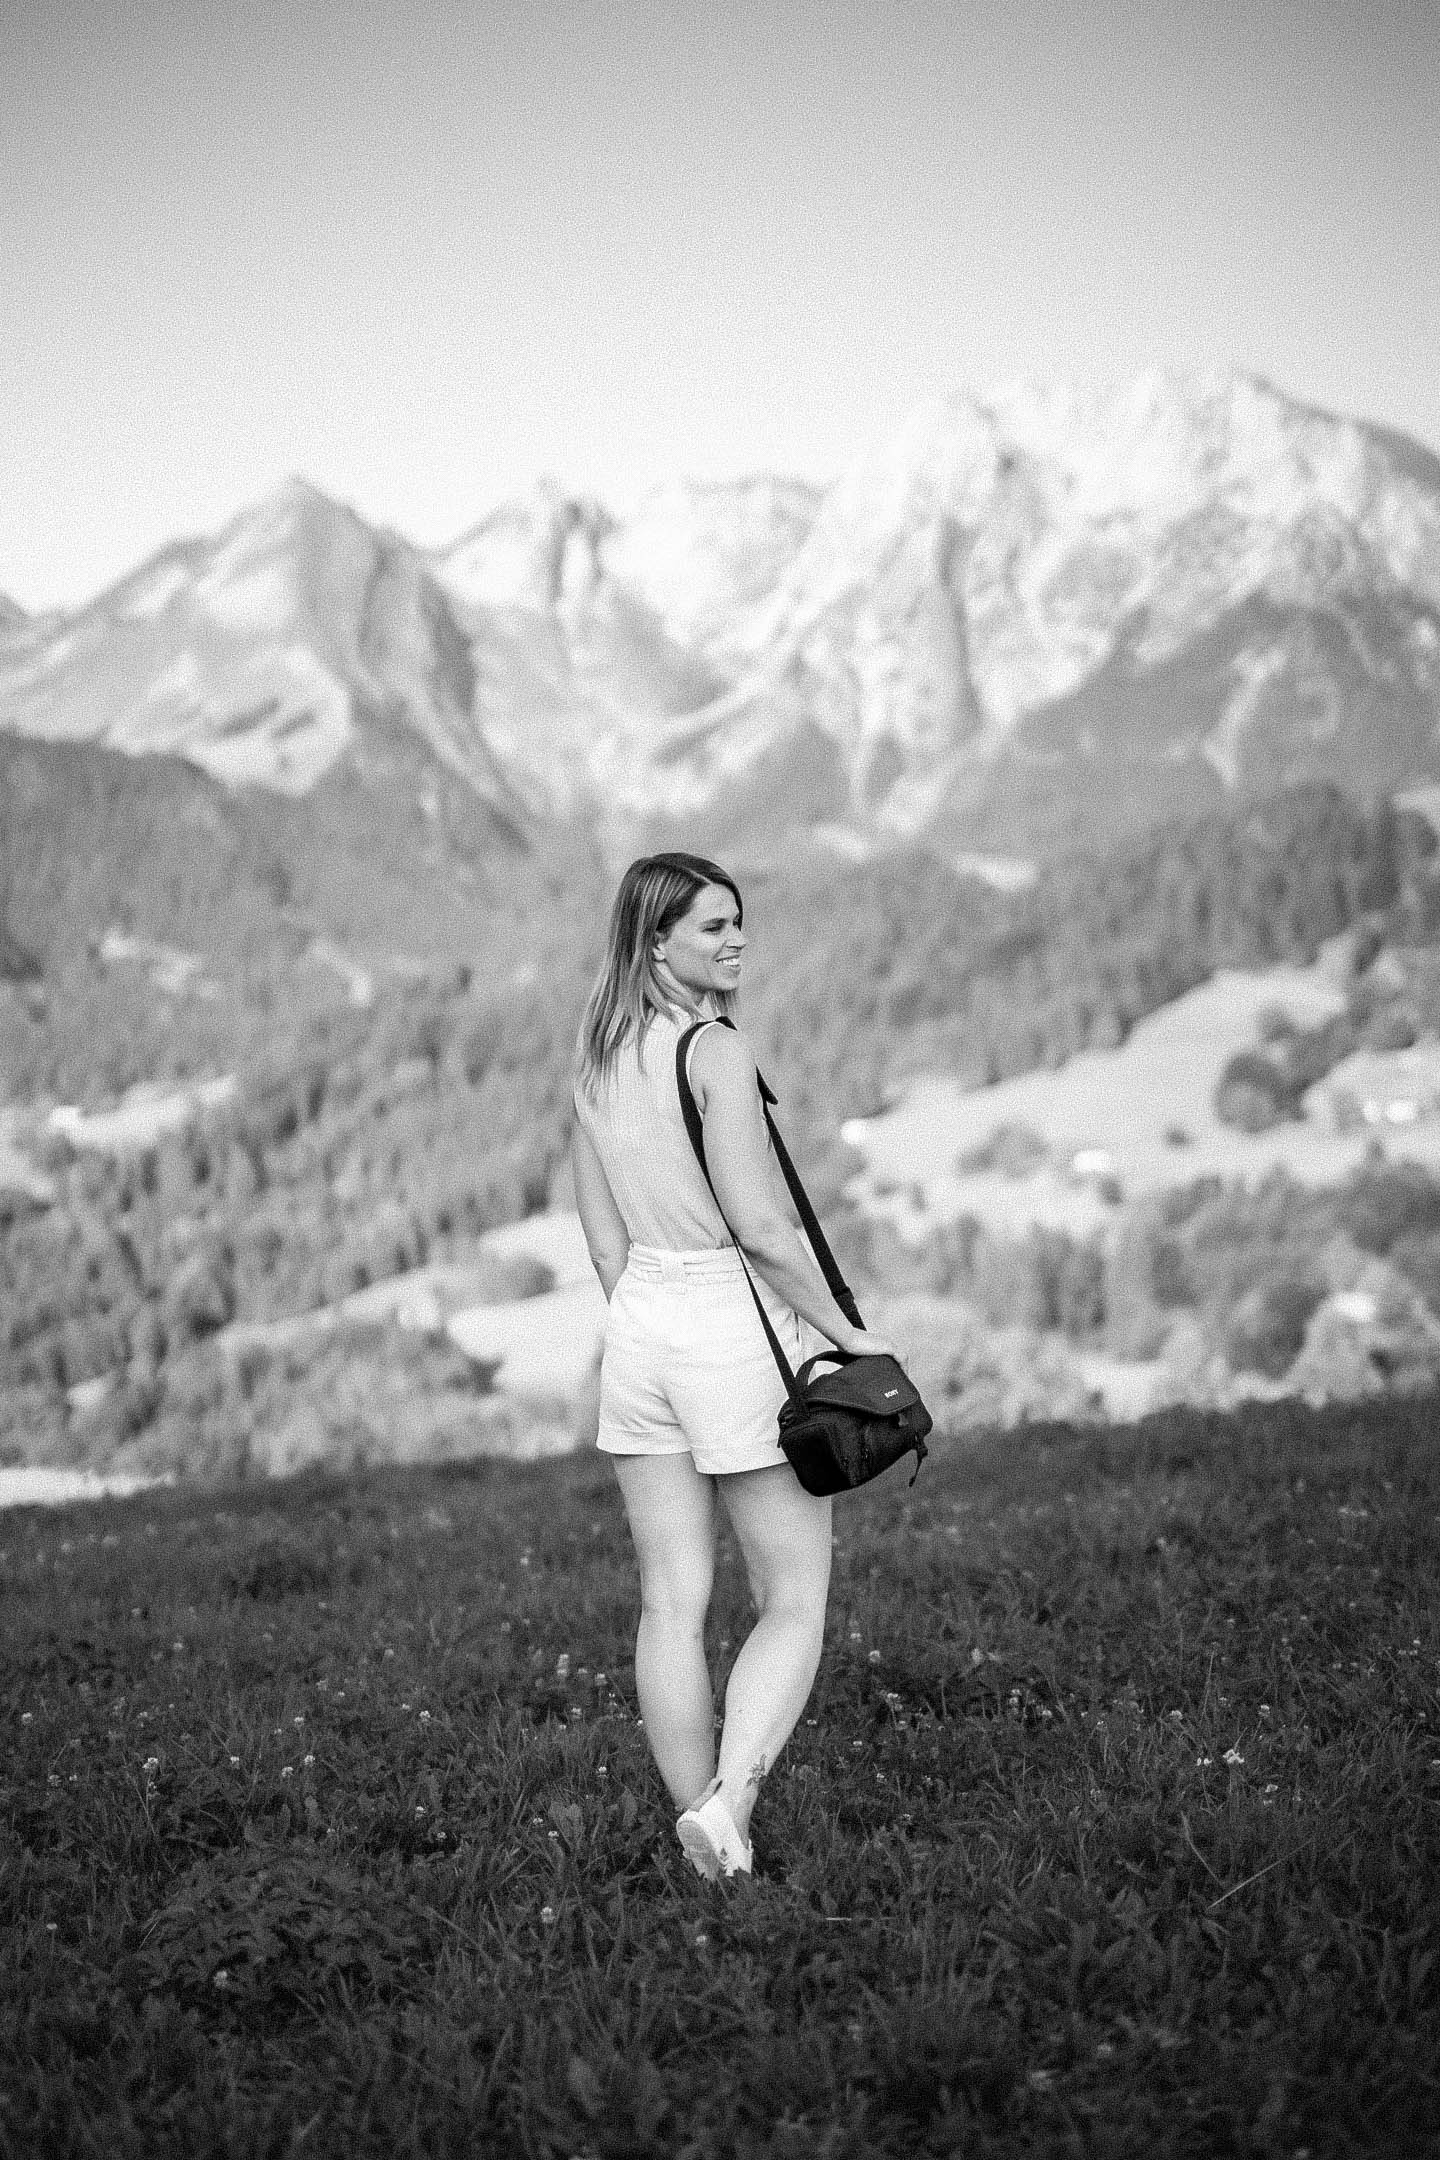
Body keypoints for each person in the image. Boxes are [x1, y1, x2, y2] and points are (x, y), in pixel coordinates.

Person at [571, 850, 906, 1880]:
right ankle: (730, 1806)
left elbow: (601, 1241)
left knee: (672, 1596)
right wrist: (848, 1338)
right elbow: (762, 1229)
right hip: (724, 1319)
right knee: (795, 1595)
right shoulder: (711, 1048)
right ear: (656, 939)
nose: (736, 942)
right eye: (713, 927)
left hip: (638, 1331)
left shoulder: (597, 1052)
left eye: (739, 922)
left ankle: (709, 1832)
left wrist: (650, 1314)